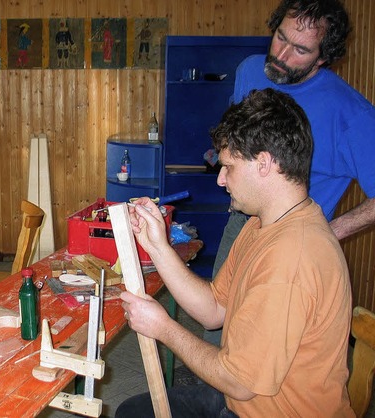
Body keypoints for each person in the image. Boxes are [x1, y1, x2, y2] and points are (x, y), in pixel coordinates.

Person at [116, 89, 353, 417]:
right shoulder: (262, 224)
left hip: (272, 410)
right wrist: (156, 245)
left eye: (229, 166)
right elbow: (215, 308)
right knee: (134, 412)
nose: (221, 179)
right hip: (245, 402)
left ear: (265, 164)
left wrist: (163, 327)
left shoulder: (292, 257)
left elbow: (239, 379)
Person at [207, 0, 375, 345]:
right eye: (280, 37)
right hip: (241, 224)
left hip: (295, 243)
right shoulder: (250, 71)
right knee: (218, 324)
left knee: (263, 346)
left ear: (324, 56)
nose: (281, 54)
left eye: (300, 49)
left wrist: (329, 232)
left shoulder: (353, 114)